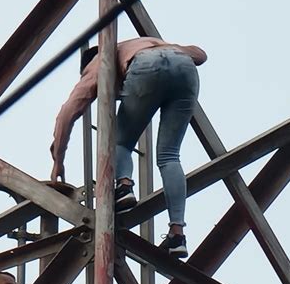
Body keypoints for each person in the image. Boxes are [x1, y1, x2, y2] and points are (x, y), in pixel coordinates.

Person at [50, 36, 207, 257]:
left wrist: (58, 158)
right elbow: (200, 54)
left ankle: (124, 187)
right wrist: (175, 51)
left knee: (119, 142)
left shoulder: (99, 62)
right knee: (170, 156)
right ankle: (177, 233)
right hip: (186, 68)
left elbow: (69, 112)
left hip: (144, 66)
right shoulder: (152, 42)